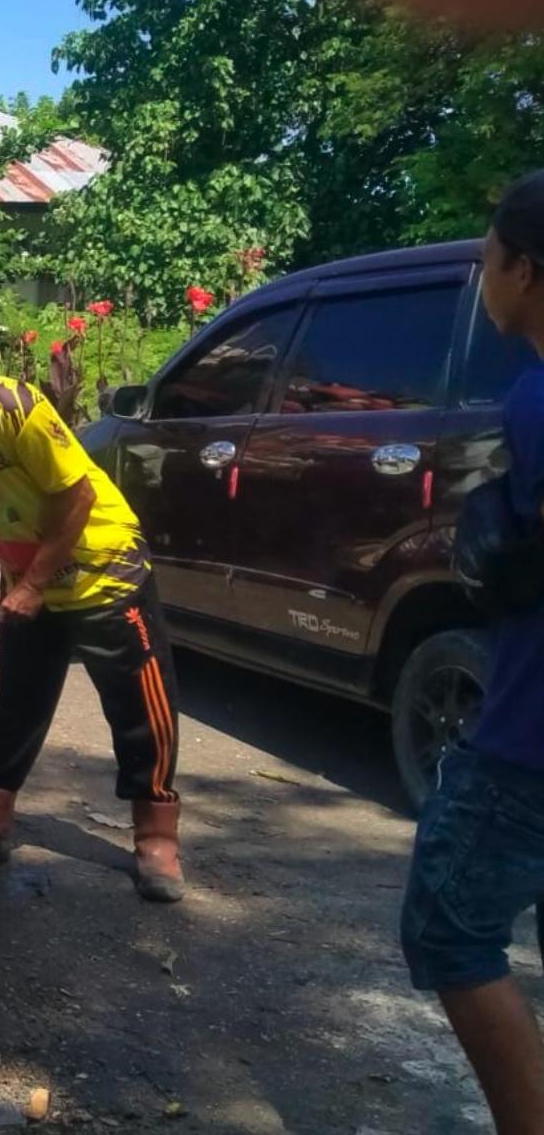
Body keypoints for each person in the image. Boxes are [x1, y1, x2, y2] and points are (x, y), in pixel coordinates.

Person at [0, 310, 185, 903]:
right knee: (18, 702)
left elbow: (76, 495)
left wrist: (31, 584)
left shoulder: (11, 406)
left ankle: (156, 835)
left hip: (102, 568)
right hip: (26, 577)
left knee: (140, 705)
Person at [401, 169, 544, 1133]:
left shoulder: (536, 397)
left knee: (448, 927)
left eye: (489, 257)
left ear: (526, 270)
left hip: (530, 733)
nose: (482, 276)